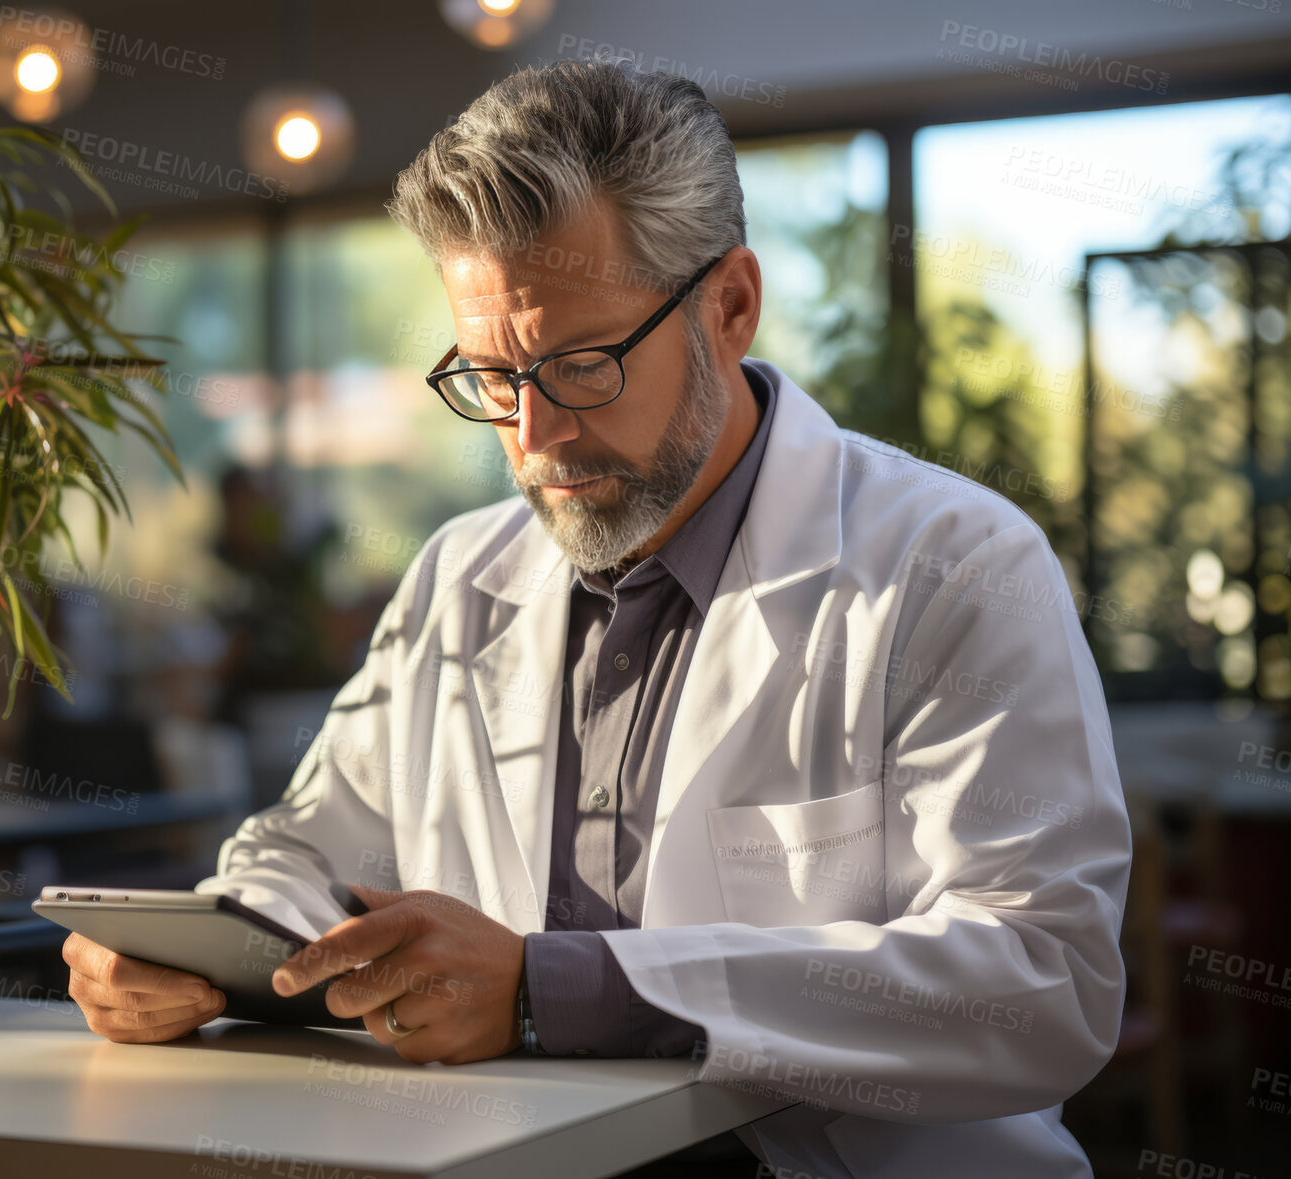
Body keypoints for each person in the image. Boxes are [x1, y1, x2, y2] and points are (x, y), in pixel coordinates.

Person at [63, 60, 1130, 1179]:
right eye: (488, 376)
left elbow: (1037, 981)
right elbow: (311, 851)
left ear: (728, 306)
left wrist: (551, 989)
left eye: (580, 365)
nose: (532, 434)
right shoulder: (458, 573)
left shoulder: (950, 565)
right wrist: (207, 948)